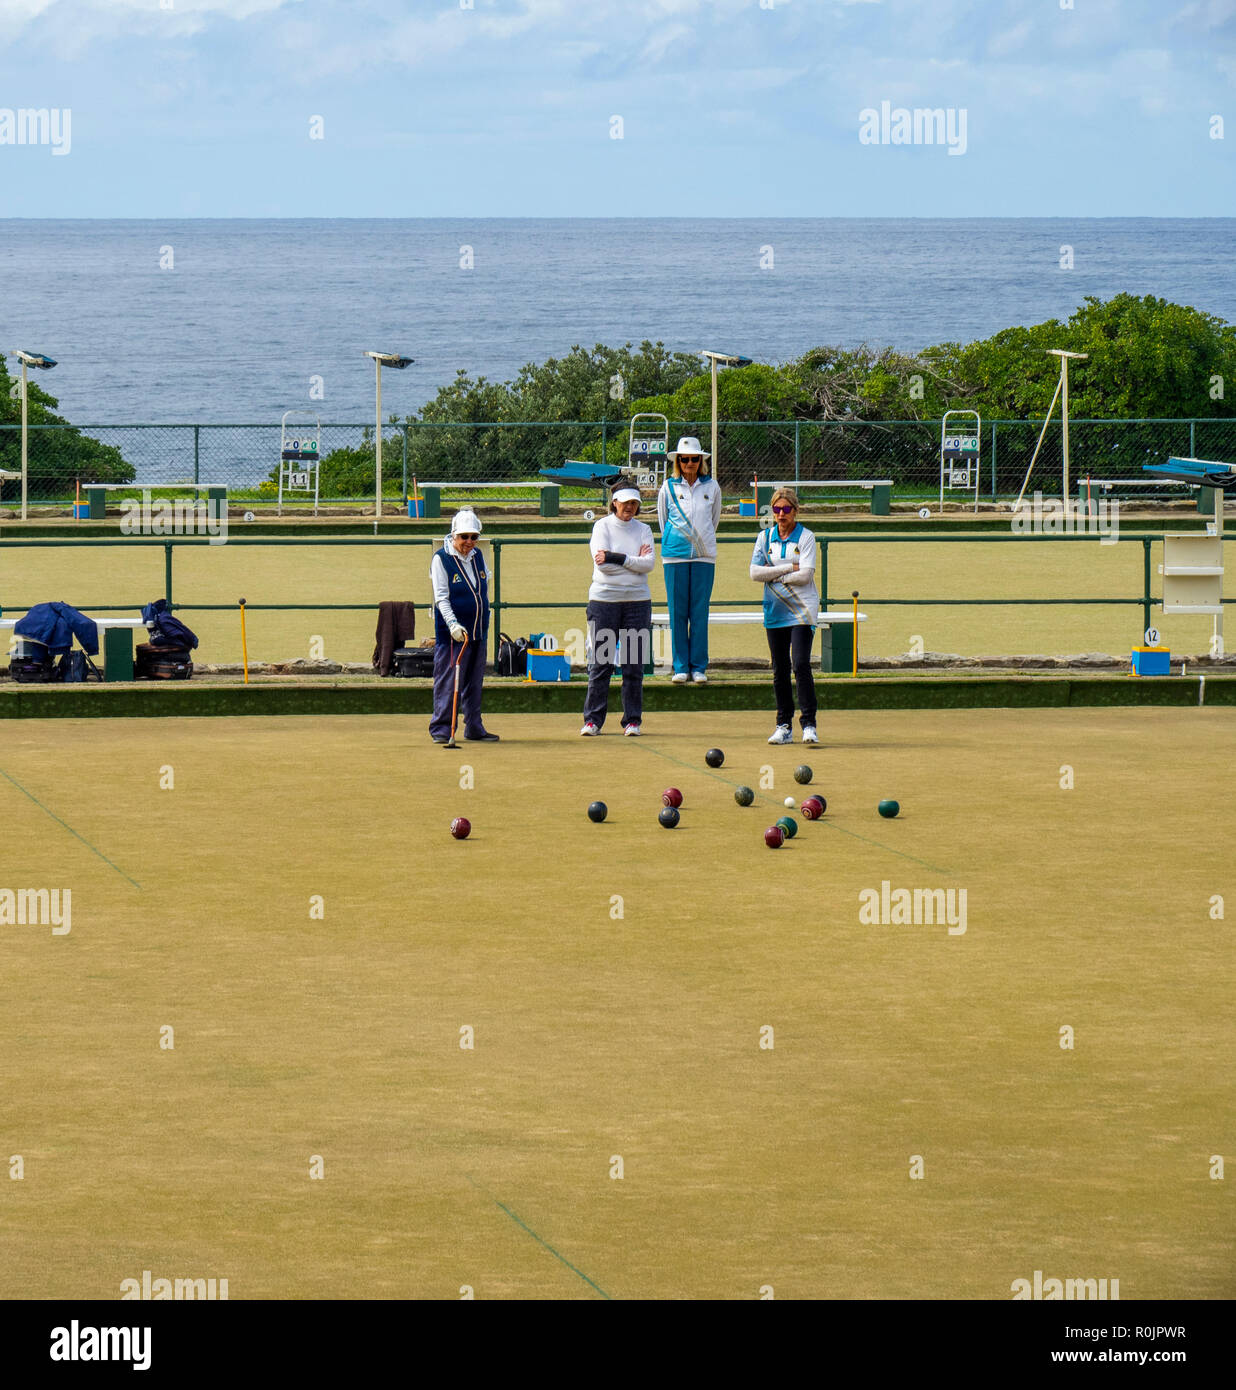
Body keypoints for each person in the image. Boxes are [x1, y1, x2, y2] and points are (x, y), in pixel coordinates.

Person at [581, 481, 655, 736]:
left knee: (634, 664)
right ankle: (592, 720)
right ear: (614, 502)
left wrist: (618, 557)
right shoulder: (601, 527)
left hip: (637, 602)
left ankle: (632, 720)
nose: (630, 507)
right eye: (625, 502)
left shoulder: (644, 529)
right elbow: (603, 566)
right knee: (601, 663)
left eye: (634, 503)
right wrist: (632, 560)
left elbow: (649, 564)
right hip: (604, 601)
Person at [749, 487, 820, 745]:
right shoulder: (764, 537)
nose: (781, 514)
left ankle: (809, 724)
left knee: (800, 664)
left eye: (786, 509)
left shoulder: (806, 537)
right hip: (775, 610)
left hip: (802, 609)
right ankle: (784, 726)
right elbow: (755, 573)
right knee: (779, 670)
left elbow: (807, 575)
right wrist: (789, 567)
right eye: (776, 509)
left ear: (795, 511)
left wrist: (774, 572)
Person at [429, 508, 498, 743]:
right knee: (449, 682)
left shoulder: (478, 556)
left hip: (478, 629)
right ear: (454, 535)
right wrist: (452, 624)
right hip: (454, 635)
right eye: (464, 537)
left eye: (473, 537)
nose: (469, 542)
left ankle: (474, 727)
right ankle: (441, 730)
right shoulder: (441, 559)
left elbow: (484, 581)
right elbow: (441, 598)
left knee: (474, 682)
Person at [657, 435, 722, 683]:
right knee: (677, 612)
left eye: (694, 459)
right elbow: (663, 521)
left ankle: (699, 667)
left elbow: (713, 521)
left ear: (700, 460)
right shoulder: (668, 487)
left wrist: (700, 541)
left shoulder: (712, 487)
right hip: (674, 556)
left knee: (699, 612)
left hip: (704, 556)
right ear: (678, 461)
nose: (690, 463)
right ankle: (680, 666)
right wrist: (678, 542)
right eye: (685, 459)